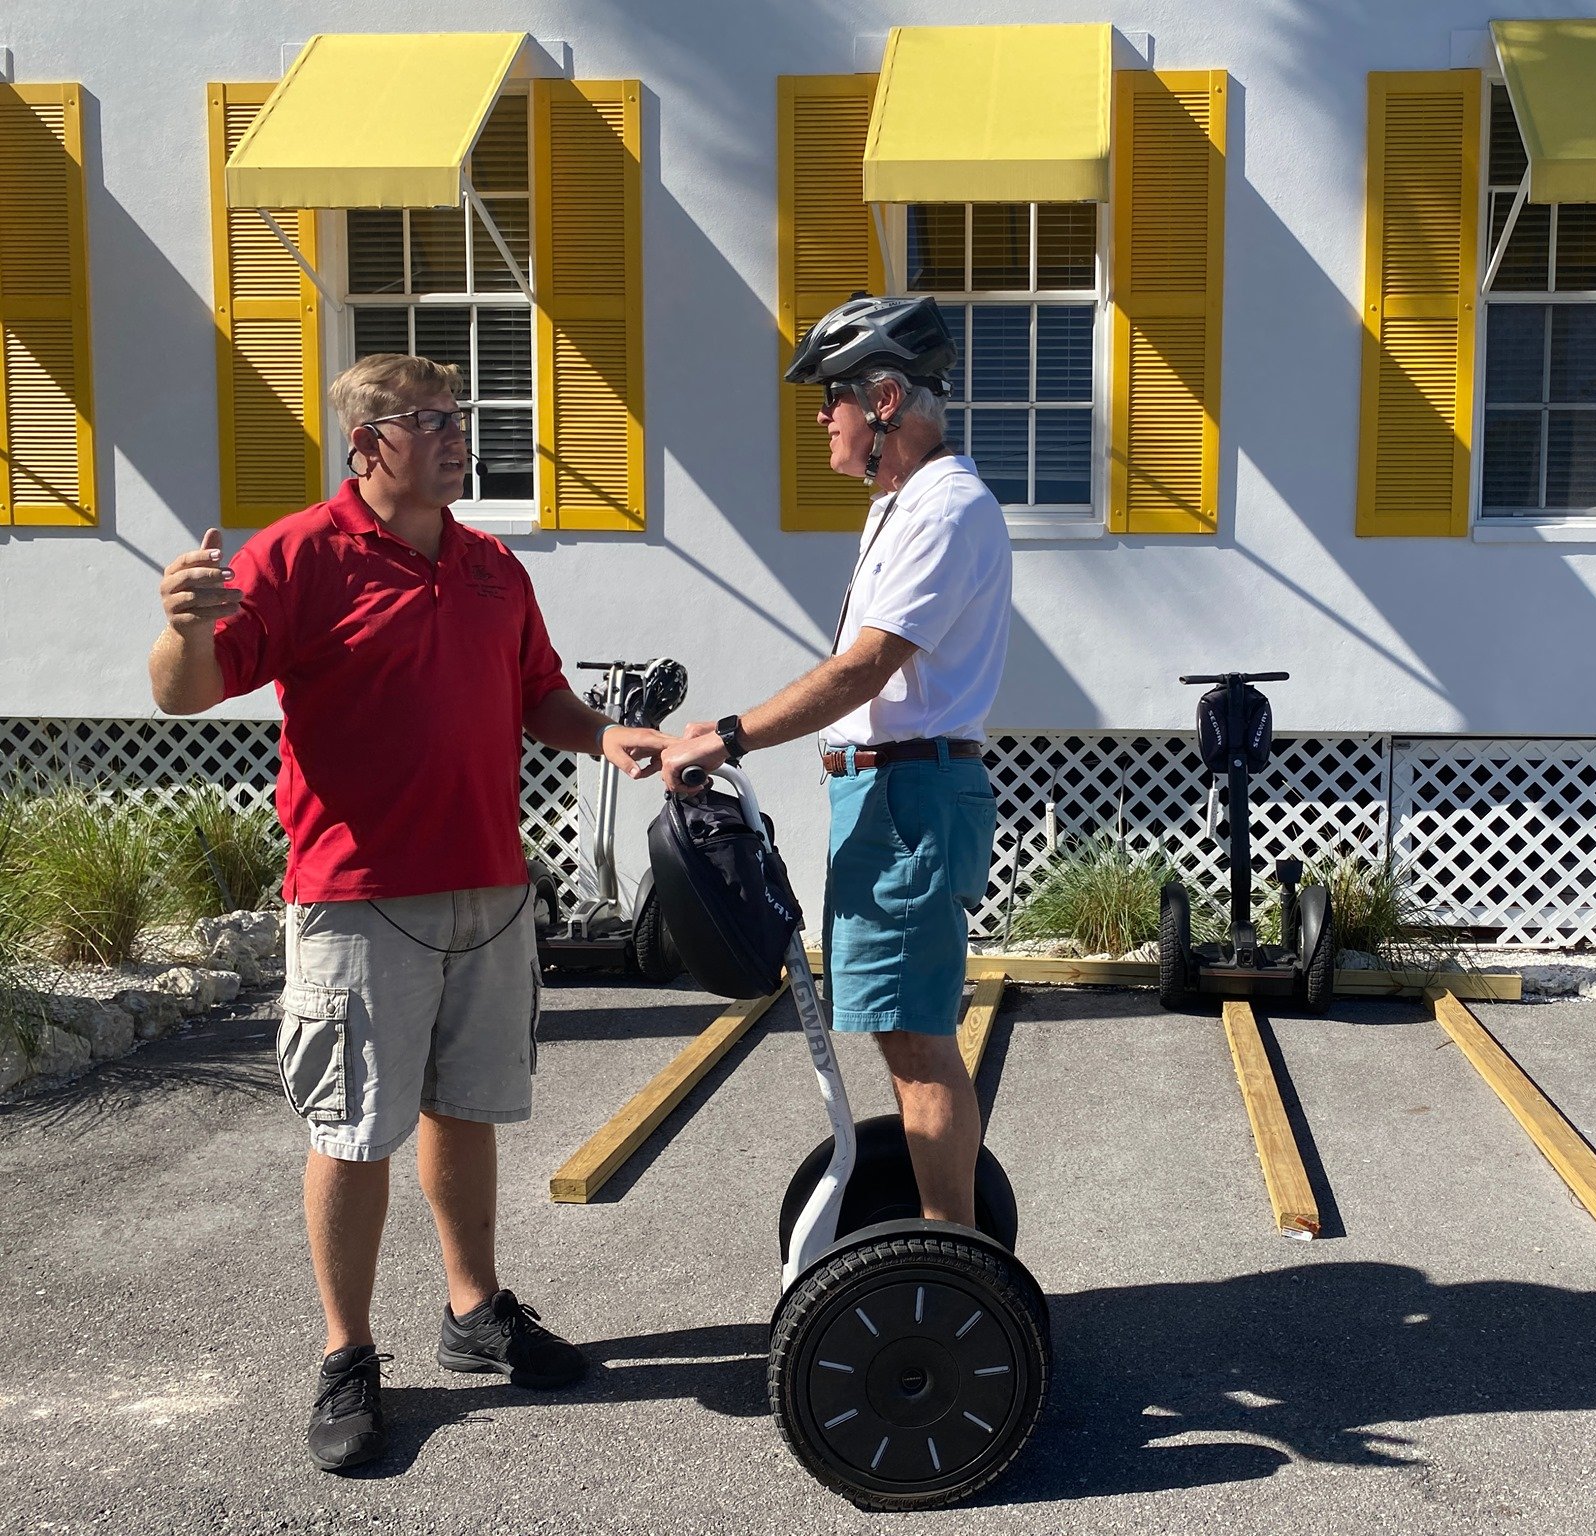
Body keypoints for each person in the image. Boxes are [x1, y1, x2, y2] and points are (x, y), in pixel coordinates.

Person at [148, 354, 670, 1473]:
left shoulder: (489, 568)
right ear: (366, 443)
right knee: (351, 1129)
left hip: (486, 883)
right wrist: (185, 625)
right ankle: (346, 1354)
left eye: (458, 416)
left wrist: (604, 735)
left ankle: (473, 1311)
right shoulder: (298, 556)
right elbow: (188, 689)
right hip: (356, 894)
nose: (455, 435)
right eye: (428, 420)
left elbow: (539, 694)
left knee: (463, 1105)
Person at [658, 294, 1010, 1227]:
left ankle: (952, 1262)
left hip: (909, 796)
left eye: (833, 401)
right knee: (907, 1042)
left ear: (886, 398)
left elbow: (865, 668)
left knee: (919, 1044)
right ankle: (948, 1240)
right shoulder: (902, 506)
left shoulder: (944, 510)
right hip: (892, 793)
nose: (823, 419)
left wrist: (728, 736)